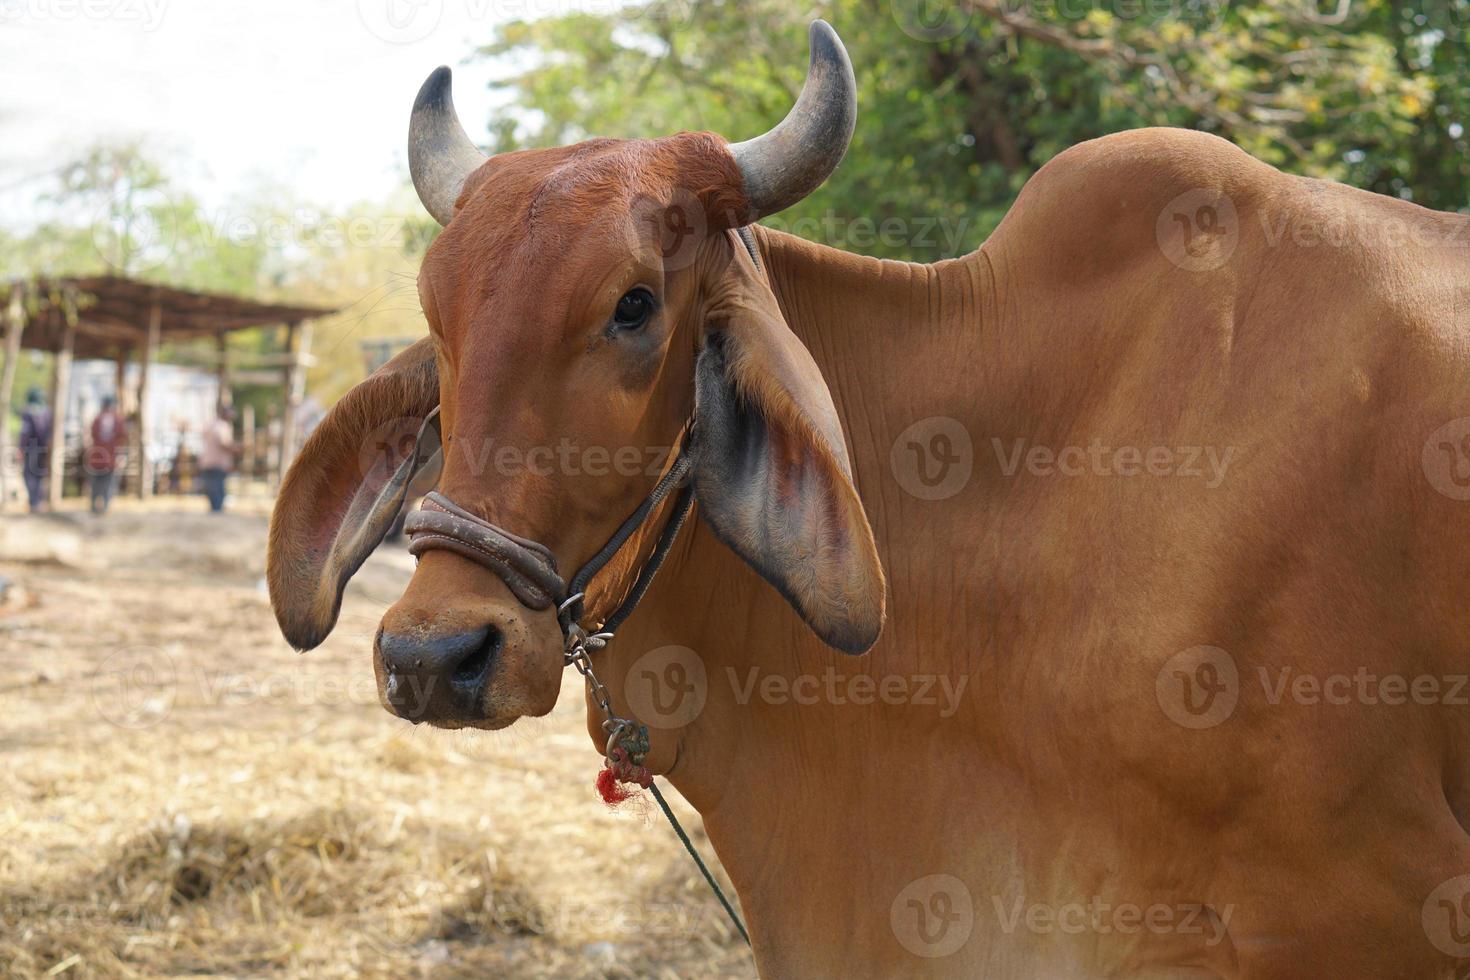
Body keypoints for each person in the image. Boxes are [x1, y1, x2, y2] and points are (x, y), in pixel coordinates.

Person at [86, 395, 127, 515]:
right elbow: (122, 437)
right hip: (109, 457)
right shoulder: (117, 420)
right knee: (108, 483)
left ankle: (95, 506)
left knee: (96, 483)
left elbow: (93, 434)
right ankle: (104, 506)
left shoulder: (97, 419)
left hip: (97, 457)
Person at [199, 404, 238, 514]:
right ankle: (217, 510)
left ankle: (214, 509)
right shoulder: (222, 426)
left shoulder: (210, 424)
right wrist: (237, 448)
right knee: (217, 488)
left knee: (212, 487)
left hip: (207, 461)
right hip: (217, 462)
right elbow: (225, 444)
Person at [18, 387, 51, 513]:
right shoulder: (47, 412)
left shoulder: (27, 412)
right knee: (39, 475)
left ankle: (34, 502)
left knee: (29, 475)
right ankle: (38, 501)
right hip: (43, 447)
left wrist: (21, 448)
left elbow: (24, 432)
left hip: (31, 447)